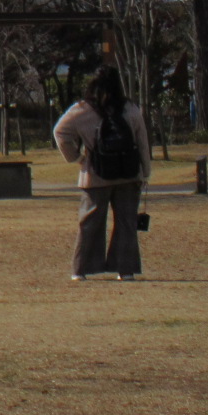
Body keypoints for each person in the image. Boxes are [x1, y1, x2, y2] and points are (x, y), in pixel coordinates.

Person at [54, 65, 151, 282]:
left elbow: (59, 131)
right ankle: (125, 270)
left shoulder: (82, 109)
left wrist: (77, 157)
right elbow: (142, 142)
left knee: (89, 223)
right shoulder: (130, 109)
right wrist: (145, 171)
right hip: (128, 174)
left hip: (95, 173)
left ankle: (80, 270)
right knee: (126, 222)